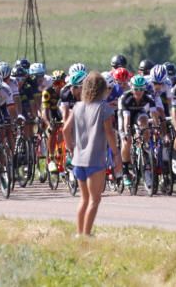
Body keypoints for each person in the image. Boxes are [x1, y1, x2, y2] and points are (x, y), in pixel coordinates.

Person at [64, 72, 120, 237]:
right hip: (95, 160)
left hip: (78, 160)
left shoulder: (78, 106)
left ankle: (79, 233)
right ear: (102, 89)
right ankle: (86, 235)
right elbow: (109, 133)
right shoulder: (104, 109)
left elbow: (65, 129)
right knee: (95, 200)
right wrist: (116, 154)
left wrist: (70, 147)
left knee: (84, 199)